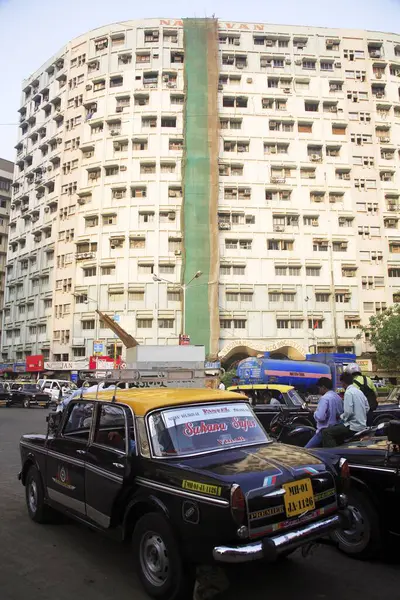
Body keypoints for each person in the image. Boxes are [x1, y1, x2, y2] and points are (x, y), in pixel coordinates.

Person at [321, 372, 370, 448]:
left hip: (353, 426)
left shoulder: (348, 392)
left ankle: (333, 454)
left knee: (326, 432)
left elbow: (348, 412)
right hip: (362, 425)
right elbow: (367, 407)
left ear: (343, 383)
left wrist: (341, 417)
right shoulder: (359, 392)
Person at [305, 377, 343, 448]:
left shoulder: (325, 398)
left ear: (323, 387)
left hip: (324, 431)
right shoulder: (337, 397)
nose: (318, 390)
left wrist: (314, 413)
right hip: (336, 430)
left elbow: (320, 417)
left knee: (307, 451)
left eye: (319, 388)